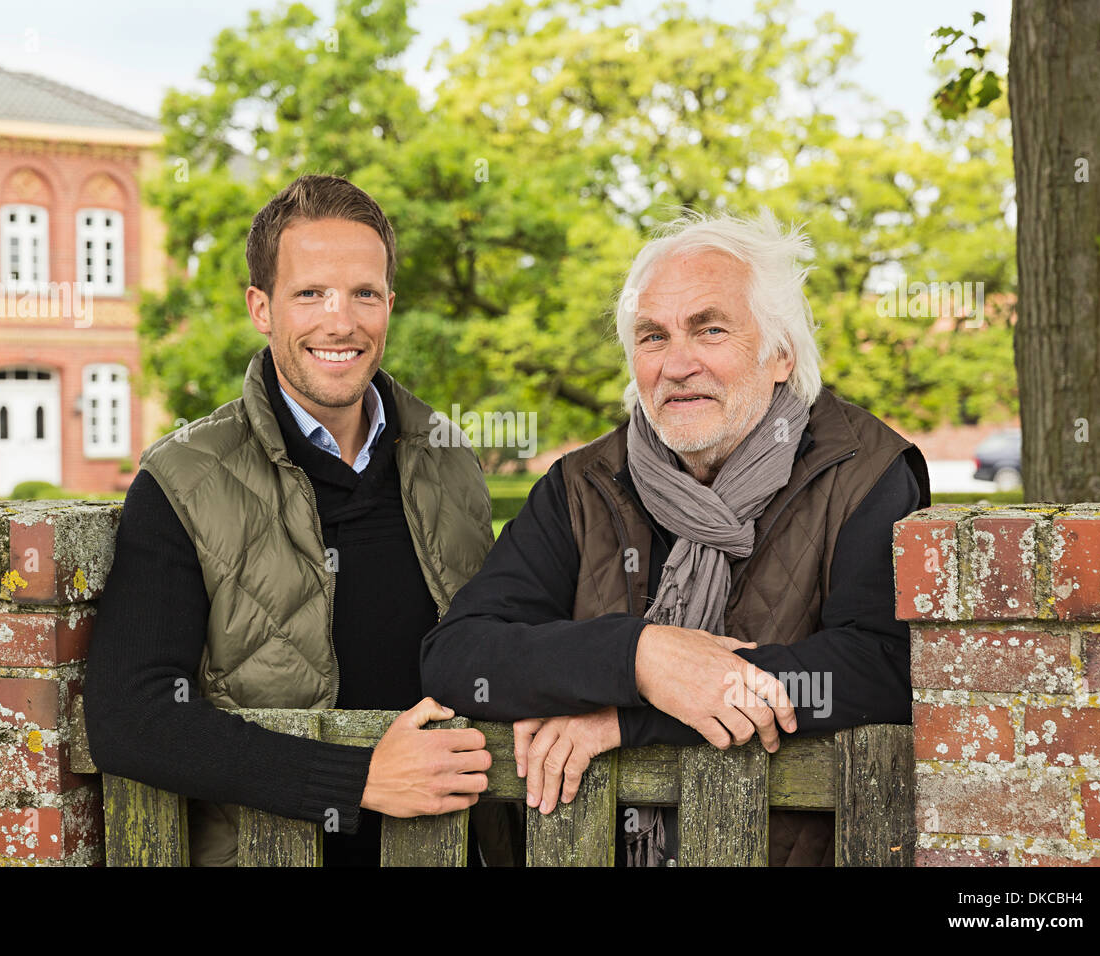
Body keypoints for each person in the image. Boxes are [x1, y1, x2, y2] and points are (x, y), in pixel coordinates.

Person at [420, 208, 931, 867]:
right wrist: (640, 659)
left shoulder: (865, 472)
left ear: (781, 354)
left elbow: (883, 668)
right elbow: (460, 655)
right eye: (653, 336)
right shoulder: (584, 485)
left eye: (709, 329)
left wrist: (634, 717)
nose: (677, 363)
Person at [85, 173, 517, 866]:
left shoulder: (449, 459)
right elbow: (130, 717)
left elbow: (502, 644)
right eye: (310, 293)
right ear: (262, 307)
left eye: (364, 294)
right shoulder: (184, 480)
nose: (340, 321)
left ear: (389, 305)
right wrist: (358, 780)